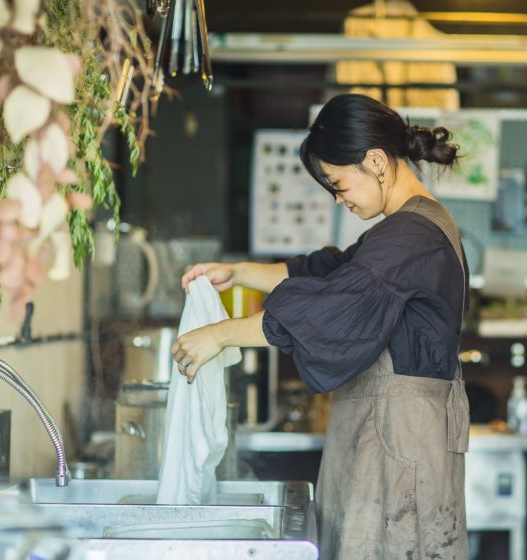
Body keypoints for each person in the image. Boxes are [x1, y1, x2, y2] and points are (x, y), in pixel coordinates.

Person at [172, 93, 471, 559]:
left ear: (375, 160)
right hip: (397, 444)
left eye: (337, 183)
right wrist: (243, 273)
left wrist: (221, 334)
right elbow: (331, 272)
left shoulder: (410, 235)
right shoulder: (410, 228)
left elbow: (332, 307)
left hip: (398, 451)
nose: (337, 198)